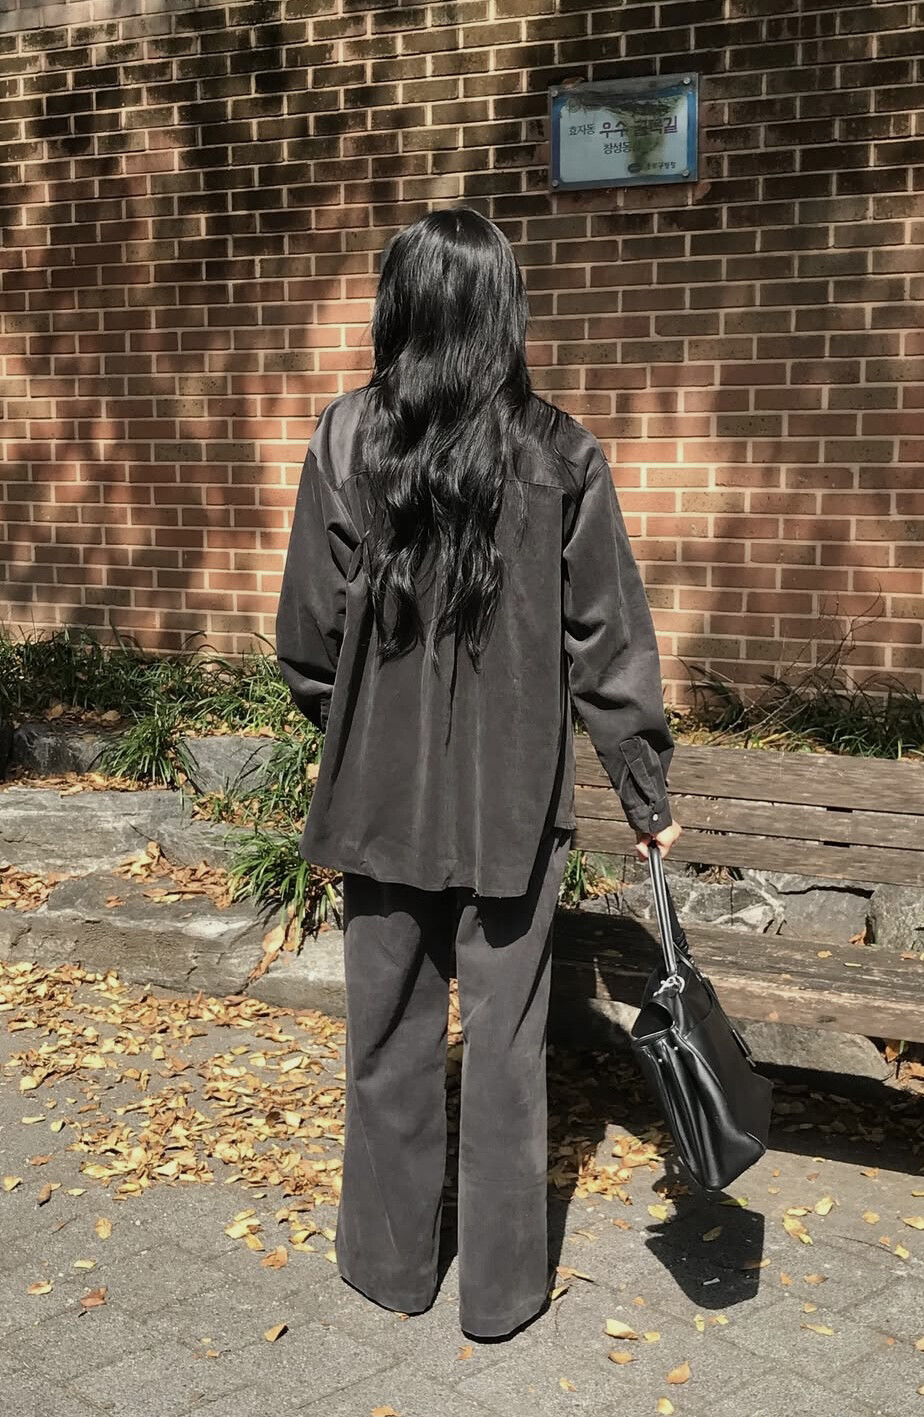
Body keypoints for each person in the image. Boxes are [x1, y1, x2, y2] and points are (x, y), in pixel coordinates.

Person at [274, 205, 682, 1341]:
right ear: (505, 312)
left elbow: (307, 637)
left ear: (397, 305)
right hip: (510, 805)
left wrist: (355, 725)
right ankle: (500, 1295)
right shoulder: (559, 452)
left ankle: (388, 1265)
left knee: (386, 1038)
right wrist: (644, 791)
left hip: (379, 798)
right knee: (504, 1053)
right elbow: (607, 639)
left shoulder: (347, 438)